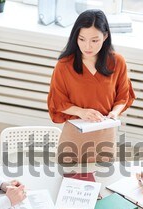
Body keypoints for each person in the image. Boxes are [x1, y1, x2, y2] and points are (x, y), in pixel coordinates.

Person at [47, 9, 135, 163]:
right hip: (74, 134)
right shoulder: (64, 65)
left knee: (103, 180)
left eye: (94, 40)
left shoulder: (117, 62)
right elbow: (57, 101)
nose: (87, 46)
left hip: (105, 134)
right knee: (68, 181)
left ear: (105, 36)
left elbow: (123, 96)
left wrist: (114, 113)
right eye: (82, 39)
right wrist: (81, 112)